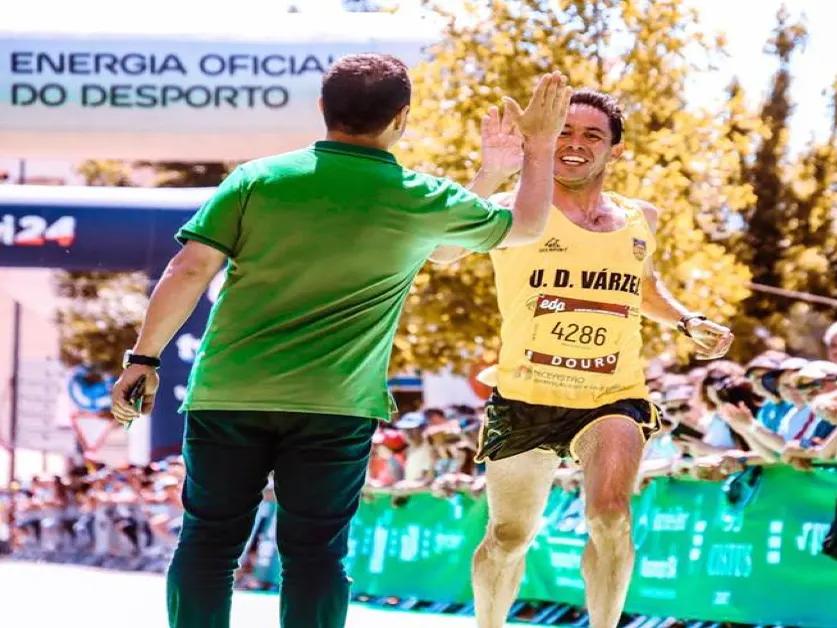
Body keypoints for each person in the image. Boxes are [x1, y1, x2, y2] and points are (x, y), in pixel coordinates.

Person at [108, 53, 572, 628]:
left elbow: (187, 270)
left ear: (323, 108)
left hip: (231, 395)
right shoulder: (419, 196)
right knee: (315, 555)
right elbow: (521, 227)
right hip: (335, 405)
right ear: (401, 118)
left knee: (209, 543)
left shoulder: (259, 179)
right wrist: (539, 148)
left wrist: (144, 358)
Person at [430, 89, 734, 628]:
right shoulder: (515, 212)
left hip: (612, 394)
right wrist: (492, 172)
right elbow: (444, 250)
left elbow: (640, 286)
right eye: (563, 132)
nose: (574, 144)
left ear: (614, 152)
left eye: (591, 135)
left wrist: (687, 319)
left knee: (610, 516)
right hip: (526, 396)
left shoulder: (640, 217)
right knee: (508, 538)